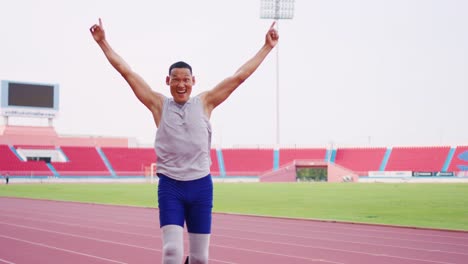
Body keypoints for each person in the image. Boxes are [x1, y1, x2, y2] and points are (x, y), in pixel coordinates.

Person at [90, 18, 279, 264]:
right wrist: (103, 42)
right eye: (176, 80)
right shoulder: (158, 104)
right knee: (171, 253)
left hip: (201, 187)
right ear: (168, 81)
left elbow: (239, 77)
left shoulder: (206, 103)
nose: (181, 85)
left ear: (193, 81)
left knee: (200, 259)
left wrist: (267, 47)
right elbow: (127, 72)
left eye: (186, 80)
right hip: (171, 188)